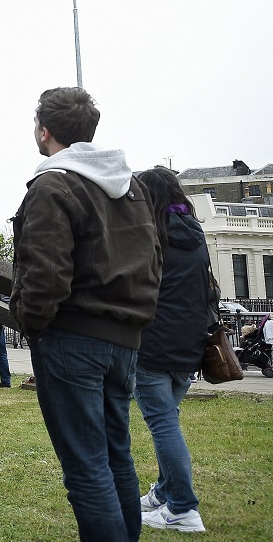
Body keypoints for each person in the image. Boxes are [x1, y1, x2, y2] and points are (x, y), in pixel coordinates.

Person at [10, 88, 160, 542]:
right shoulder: (130, 186)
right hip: (124, 341)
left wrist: (31, 324)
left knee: (87, 468)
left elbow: (46, 276)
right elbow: (153, 259)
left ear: (44, 130)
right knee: (117, 457)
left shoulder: (52, 185)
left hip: (72, 339)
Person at [132, 167, 212, 533]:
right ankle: (165, 492)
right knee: (169, 420)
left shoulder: (149, 235)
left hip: (153, 345)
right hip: (190, 345)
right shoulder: (195, 234)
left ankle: (183, 508)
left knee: (163, 423)